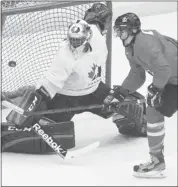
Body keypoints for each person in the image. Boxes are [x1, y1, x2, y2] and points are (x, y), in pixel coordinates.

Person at [2, 4, 146, 155]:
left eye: (78, 41)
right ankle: (9, 133)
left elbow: (94, 20)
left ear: (87, 36)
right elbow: (48, 86)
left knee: (129, 106)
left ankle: (140, 125)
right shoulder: (65, 54)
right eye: (72, 40)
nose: (74, 44)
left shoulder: (95, 33)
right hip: (67, 98)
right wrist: (32, 110)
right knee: (49, 131)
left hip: (94, 91)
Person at [112, 12, 177, 178]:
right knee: (153, 110)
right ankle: (157, 161)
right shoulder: (131, 46)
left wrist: (156, 88)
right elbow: (137, 74)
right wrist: (122, 92)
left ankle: (157, 162)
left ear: (133, 30)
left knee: (154, 109)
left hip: (172, 79)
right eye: (118, 30)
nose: (119, 34)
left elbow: (163, 69)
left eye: (122, 30)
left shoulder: (143, 44)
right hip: (172, 80)